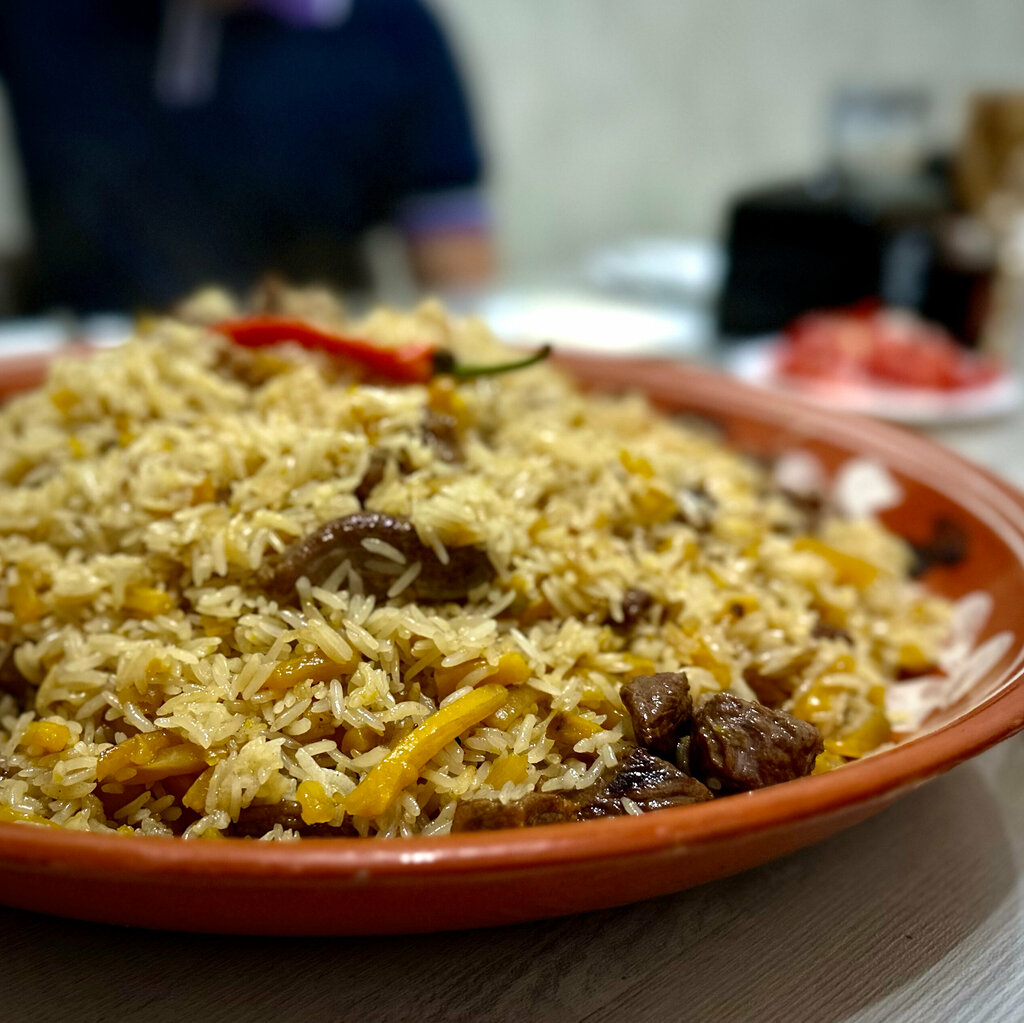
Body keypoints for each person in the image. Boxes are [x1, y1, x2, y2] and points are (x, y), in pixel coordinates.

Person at [0, 0, 495, 313]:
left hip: (316, 366)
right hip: (77, 363)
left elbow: (460, 279)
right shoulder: (42, 16)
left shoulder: (393, 30)